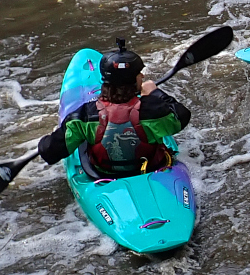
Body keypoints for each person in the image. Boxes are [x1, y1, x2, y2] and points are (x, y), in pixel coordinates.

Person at [37, 40, 191, 176]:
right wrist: (155, 93)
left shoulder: (84, 115)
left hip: (104, 175)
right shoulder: (154, 110)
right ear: (132, 81)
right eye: (139, 73)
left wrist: (46, 142)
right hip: (151, 170)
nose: (142, 77)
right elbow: (182, 116)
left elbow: (50, 153)